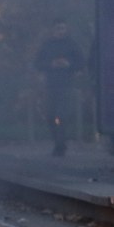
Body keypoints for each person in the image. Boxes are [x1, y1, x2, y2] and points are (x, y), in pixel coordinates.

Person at [34, 22, 84, 156]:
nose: (61, 31)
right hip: (50, 85)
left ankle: (60, 145)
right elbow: (37, 63)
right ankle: (58, 142)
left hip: (66, 85)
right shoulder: (47, 45)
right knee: (50, 115)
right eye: (58, 28)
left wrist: (69, 64)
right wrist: (51, 64)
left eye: (63, 28)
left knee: (62, 115)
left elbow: (81, 63)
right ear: (53, 29)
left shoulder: (72, 45)